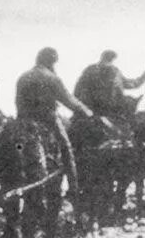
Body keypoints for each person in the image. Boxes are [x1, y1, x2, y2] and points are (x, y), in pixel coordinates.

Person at [16, 47, 93, 192]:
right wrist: (87, 112)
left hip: (21, 120)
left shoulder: (23, 76)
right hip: (46, 119)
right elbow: (69, 100)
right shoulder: (51, 77)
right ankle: (74, 187)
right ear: (52, 62)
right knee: (66, 146)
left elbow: (17, 101)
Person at [73, 50, 145, 119]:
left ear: (102, 57)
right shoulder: (114, 71)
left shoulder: (90, 69)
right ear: (112, 59)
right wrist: (143, 78)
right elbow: (130, 84)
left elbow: (77, 89)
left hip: (89, 108)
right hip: (110, 110)